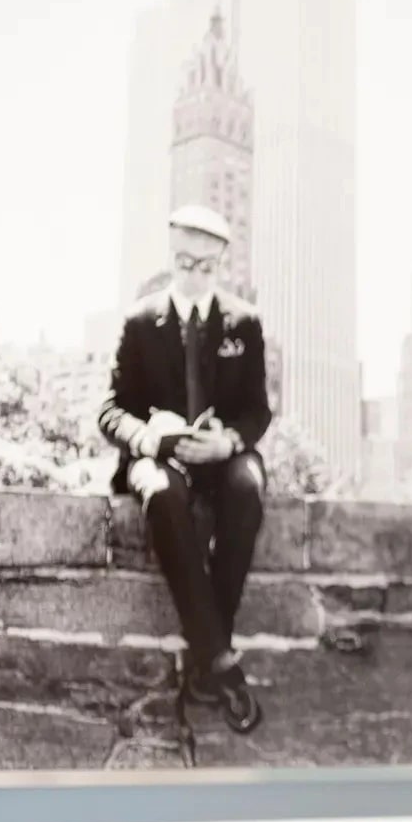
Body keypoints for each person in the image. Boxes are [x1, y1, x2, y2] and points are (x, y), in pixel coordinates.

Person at [98, 204, 272, 744]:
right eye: (183, 261)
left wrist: (229, 441)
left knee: (248, 485)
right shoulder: (138, 321)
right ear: (171, 258)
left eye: (205, 264)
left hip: (220, 454)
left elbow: (257, 412)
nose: (193, 273)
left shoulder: (244, 323)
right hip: (157, 455)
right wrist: (147, 437)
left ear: (221, 264)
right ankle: (217, 657)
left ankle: (204, 649)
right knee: (162, 494)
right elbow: (110, 410)